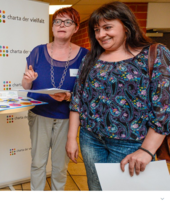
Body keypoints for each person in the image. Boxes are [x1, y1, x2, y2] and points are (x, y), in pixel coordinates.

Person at [67, 1, 170, 190]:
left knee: (124, 200)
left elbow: (163, 107)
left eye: (107, 27)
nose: (100, 34)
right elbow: (77, 99)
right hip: (90, 139)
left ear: (126, 25)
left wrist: (147, 149)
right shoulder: (91, 58)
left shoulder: (154, 53)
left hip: (132, 144)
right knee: (97, 190)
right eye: (97, 29)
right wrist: (71, 138)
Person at [22, 7, 88, 191]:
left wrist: (68, 96)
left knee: (60, 166)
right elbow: (26, 85)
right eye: (58, 21)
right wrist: (27, 80)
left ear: (76, 28)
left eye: (68, 22)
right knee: (38, 163)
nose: (61, 25)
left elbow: (88, 93)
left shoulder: (85, 55)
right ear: (52, 28)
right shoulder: (37, 51)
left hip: (67, 118)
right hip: (39, 114)